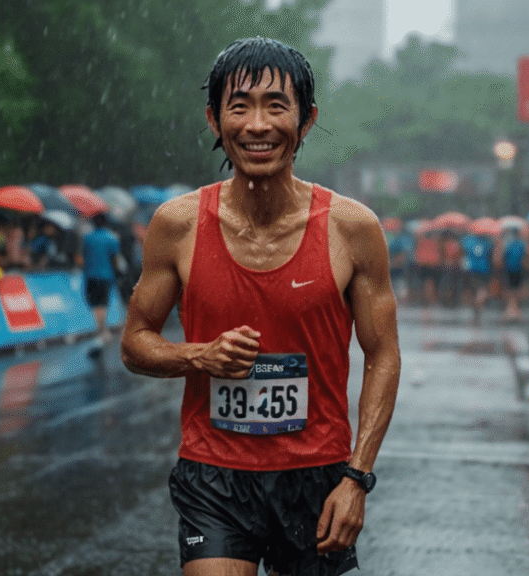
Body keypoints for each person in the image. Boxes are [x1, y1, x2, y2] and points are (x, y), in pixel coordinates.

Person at [120, 37, 400, 576]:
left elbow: (383, 354)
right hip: (215, 476)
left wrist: (357, 478)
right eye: (239, 106)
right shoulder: (177, 224)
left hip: (319, 475)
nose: (257, 125)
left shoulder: (352, 228)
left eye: (276, 106)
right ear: (213, 119)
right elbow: (135, 343)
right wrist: (199, 356)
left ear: (306, 119)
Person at [81, 212, 121, 347]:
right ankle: (102, 330)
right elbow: (115, 257)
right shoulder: (111, 238)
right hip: (106, 275)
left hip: (90, 274)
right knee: (103, 304)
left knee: (94, 303)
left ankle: (100, 329)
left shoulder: (87, 238)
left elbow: (83, 256)